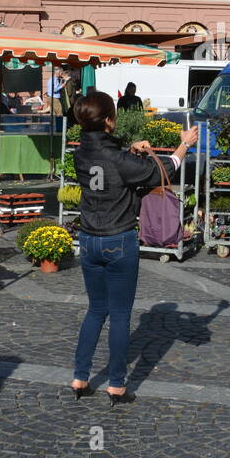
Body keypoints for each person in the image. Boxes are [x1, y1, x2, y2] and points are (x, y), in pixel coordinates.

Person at [69, 92, 198, 404]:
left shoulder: (80, 154)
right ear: (111, 120)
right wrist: (184, 145)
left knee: (96, 310)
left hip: (87, 239)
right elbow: (161, 171)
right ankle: (116, 385)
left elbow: (110, 165)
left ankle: (80, 377)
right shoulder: (118, 159)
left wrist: (129, 148)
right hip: (118, 239)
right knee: (121, 314)